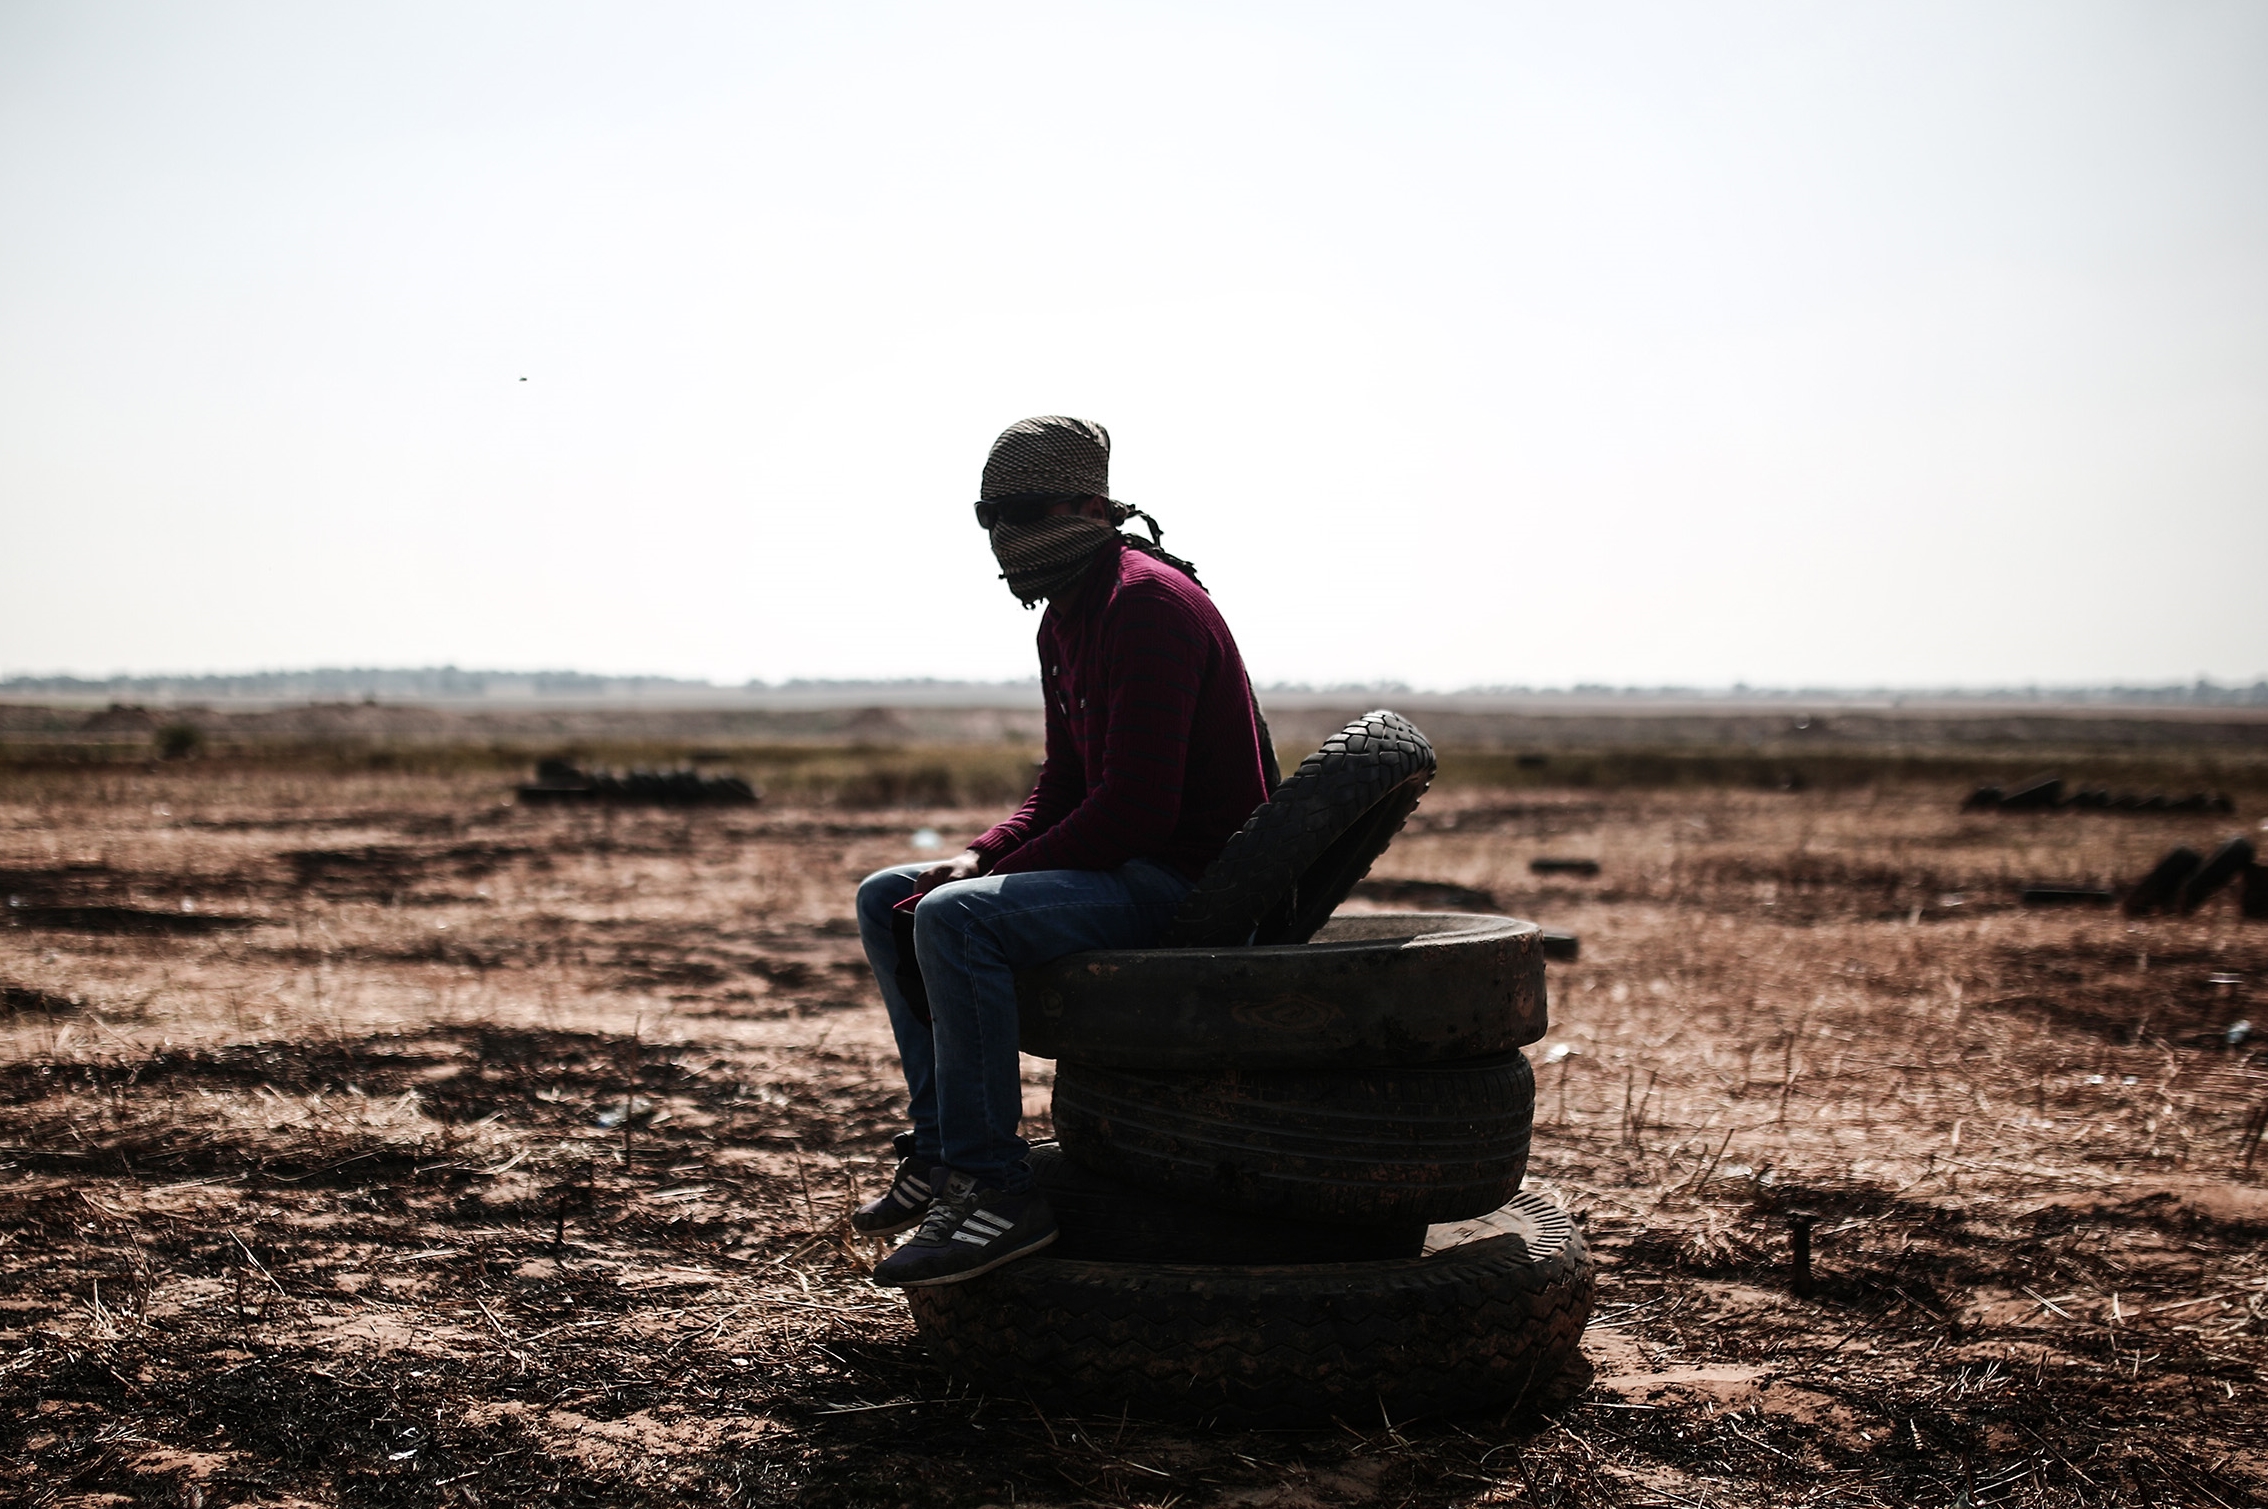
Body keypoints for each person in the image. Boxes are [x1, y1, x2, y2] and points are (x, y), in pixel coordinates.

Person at [852, 416, 1272, 1287]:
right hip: (1127, 862)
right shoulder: (1066, 621)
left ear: (1092, 504)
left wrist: (985, 884)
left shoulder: (1145, 603)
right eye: (987, 516)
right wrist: (977, 854)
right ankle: (938, 1151)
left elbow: (1139, 811)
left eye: (1026, 511)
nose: (1007, 536)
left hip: (1190, 883)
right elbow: (1065, 781)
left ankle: (996, 1188)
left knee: (955, 922)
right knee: (885, 892)